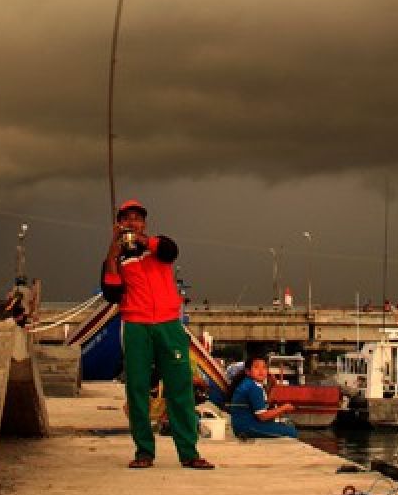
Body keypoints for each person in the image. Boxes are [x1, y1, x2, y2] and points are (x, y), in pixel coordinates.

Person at [100, 200, 213, 470]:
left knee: (180, 388)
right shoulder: (115, 258)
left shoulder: (157, 246)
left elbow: (171, 251)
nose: (132, 223)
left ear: (145, 223)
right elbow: (111, 294)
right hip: (136, 325)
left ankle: (189, 452)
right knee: (137, 389)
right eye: (127, 219)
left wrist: (142, 239)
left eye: (137, 219)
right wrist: (113, 254)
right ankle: (144, 452)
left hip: (168, 324)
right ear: (118, 224)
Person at [226, 355, 297, 439]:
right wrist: (284, 408)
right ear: (248, 371)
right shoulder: (253, 387)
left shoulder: (250, 383)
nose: (261, 371)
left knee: (284, 425)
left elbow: (264, 405)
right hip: (248, 428)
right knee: (292, 432)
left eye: (264, 367)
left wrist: (274, 386)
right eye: (256, 367)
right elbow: (262, 416)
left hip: (242, 426)